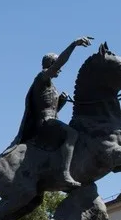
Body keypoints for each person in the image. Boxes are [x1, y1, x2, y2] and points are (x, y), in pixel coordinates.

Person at [10, 37, 92, 190]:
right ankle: (64, 173)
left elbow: (49, 109)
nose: (60, 70)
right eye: (57, 66)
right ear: (51, 65)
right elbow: (61, 62)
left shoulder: (49, 84)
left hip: (49, 120)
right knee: (72, 134)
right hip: (45, 123)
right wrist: (73, 45)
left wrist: (60, 102)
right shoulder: (42, 77)